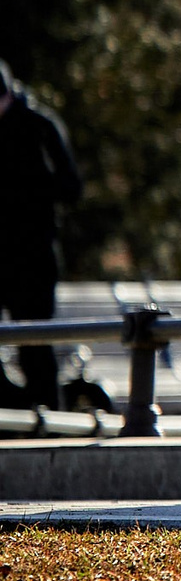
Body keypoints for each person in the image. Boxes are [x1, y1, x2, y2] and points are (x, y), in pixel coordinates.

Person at [0, 61, 81, 410]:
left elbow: (71, 187)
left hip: (32, 255)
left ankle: (49, 421)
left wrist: (26, 190)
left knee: (34, 344)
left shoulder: (39, 127)